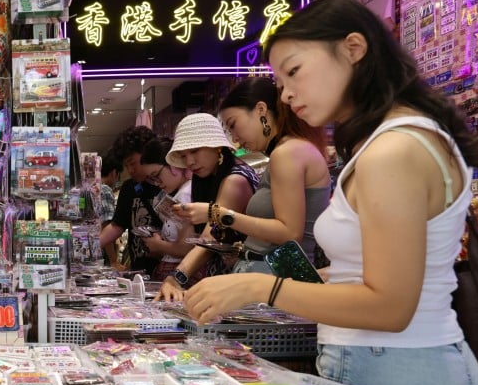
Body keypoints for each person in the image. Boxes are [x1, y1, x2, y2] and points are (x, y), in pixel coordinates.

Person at [185, 0, 478, 385]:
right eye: (280, 80)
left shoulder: (394, 151)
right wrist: (324, 277)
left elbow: (390, 306)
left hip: (399, 372)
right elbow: (383, 275)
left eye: (294, 71)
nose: (284, 94)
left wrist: (259, 289)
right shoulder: (393, 141)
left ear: (353, 49)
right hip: (397, 365)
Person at [175, 76, 331, 273]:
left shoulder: (287, 153)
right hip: (268, 279)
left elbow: (289, 232)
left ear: (260, 110)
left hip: (275, 282)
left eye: (233, 124)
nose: (235, 138)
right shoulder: (288, 151)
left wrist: (219, 214)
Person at [157, 113, 259, 300]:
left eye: (194, 151)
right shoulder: (207, 179)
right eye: (184, 155)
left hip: (244, 284)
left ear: (217, 146)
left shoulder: (234, 180)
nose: (189, 162)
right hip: (229, 280)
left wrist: (176, 277)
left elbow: (209, 238)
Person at [99, 126, 163, 275]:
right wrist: (88, 247)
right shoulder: (130, 187)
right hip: (139, 270)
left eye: (133, 163)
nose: (130, 170)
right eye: (126, 166)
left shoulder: (166, 184)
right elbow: (117, 225)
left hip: (167, 267)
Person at [134, 136, 196, 281]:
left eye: (157, 175)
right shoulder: (181, 192)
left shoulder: (186, 193)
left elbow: (186, 248)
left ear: (173, 165)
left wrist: (158, 245)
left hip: (180, 275)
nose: (156, 183)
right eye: (151, 179)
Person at [97, 152, 120, 265]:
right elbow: (106, 225)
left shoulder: (92, 188)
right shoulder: (105, 190)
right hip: (102, 252)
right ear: (114, 173)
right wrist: (113, 260)